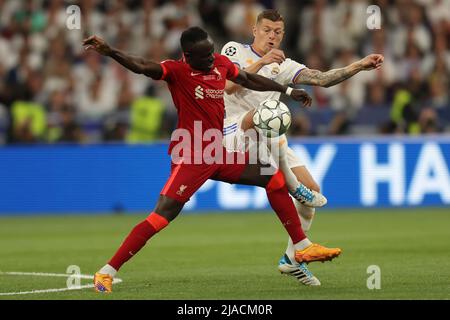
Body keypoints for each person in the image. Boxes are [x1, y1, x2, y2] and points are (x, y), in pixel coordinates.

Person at [83, 26, 342, 293]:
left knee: (274, 178)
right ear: (187, 56)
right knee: (162, 215)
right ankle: (106, 272)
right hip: (192, 155)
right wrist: (110, 51)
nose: (211, 60)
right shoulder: (176, 71)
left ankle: (301, 247)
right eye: (204, 56)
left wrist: (287, 91)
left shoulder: (219, 63)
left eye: (211, 53)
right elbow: (141, 65)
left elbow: (247, 80)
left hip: (218, 152)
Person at [221, 9, 384, 284]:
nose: (272, 36)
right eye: (267, 30)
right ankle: (293, 184)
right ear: (255, 30)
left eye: (277, 32)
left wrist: (357, 66)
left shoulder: (284, 65)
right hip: (235, 129)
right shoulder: (233, 50)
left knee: (314, 191)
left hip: (268, 135)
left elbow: (321, 78)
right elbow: (227, 86)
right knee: (270, 110)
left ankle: (291, 258)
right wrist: (261, 63)